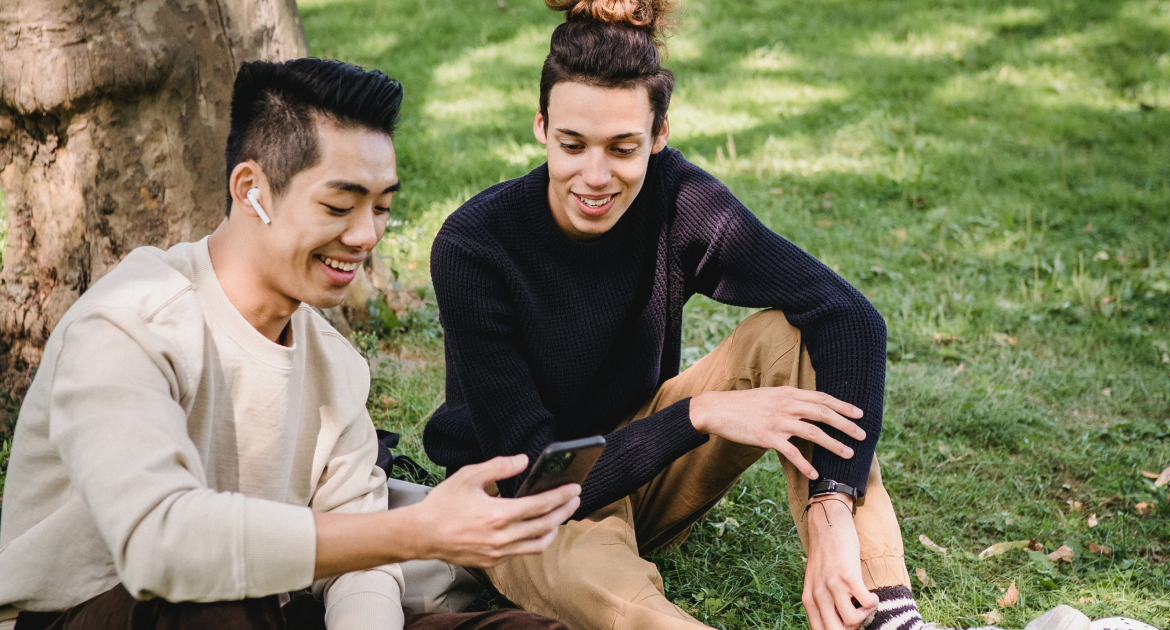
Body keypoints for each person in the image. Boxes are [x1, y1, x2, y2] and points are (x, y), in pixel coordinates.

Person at [0, 59, 576, 630]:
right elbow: (162, 546)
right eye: (338, 206)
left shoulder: (335, 366)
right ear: (252, 190)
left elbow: (362, 565)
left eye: (381, 208)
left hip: (268, 610)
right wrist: (413, 531)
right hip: (105, 613)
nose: (364, 235)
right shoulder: (130, 323)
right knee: (217, 607)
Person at [422, 1, 927, 629]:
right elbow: (535, 477)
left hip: (641, 462)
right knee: (607, 590)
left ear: (658, 138)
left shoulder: (676, 197)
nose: (595, 176)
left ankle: (882, 613)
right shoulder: (475, 246)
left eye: (624, 148)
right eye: (572, 144)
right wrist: (700, 414)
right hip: (525, 504)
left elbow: (850, 318)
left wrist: (832, 507)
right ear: (541, 126)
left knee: (786, 336)